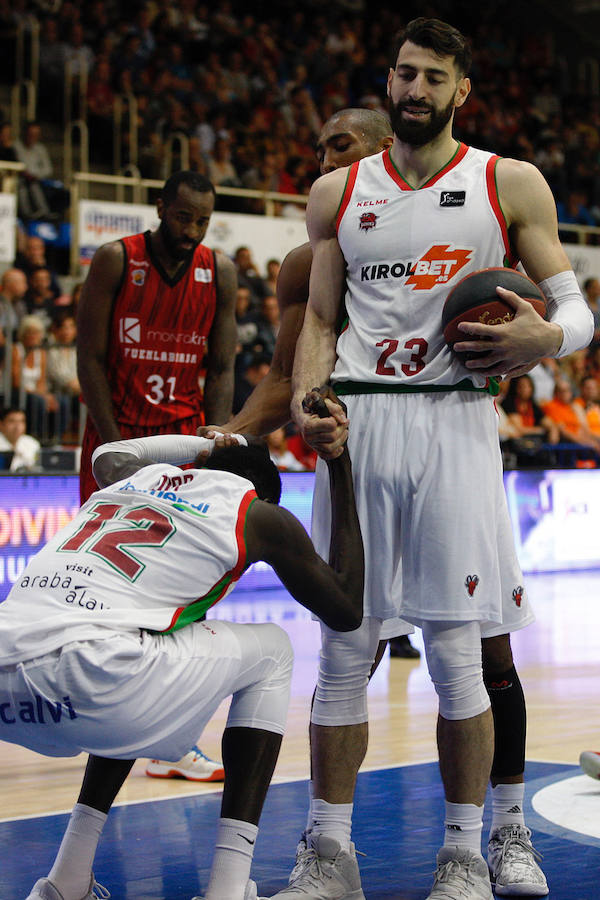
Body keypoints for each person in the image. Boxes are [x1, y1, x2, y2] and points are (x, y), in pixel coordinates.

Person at [285, 18, 593, 900]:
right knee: (344, 650)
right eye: (404, 74)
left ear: (462, 92)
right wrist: (314, 399)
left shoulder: (507, 181)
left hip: (455, 427)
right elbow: (317, 320)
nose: (414, 90)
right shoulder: (336, 193)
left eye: (433, 78)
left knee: (460, 655)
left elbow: (576, 309)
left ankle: (465, 852)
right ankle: (326, 853)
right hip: (361, 429)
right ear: (389, 82)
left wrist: (546, 337)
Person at [0, 415, 365, 900]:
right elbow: (346, 610)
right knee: (275, 651)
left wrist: (210, 444)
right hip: (96, 678)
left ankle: (66, 880)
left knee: (138, 630)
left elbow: (107, 453)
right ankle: (228, 888)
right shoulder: (256, 513)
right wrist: (341, 467)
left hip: (9, 682)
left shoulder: (128, 481)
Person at [77, 170, 238, 782]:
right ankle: (108, 724)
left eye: (202, 221)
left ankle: (171, 738)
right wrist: (115, 447)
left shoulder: (218, 271)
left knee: (179, 597)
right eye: (182, 218)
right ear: (161, 209)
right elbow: (88, 357)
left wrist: (218, 439)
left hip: (182, 450)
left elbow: (221, 366)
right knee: (107, 596)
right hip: (115, 444)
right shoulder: (117, 260)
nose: (191, 231)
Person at [0, 405, 41, 471]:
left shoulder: (32, 443)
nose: (17, 426)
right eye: (12, 421)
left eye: (21, 421)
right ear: (1, 424)